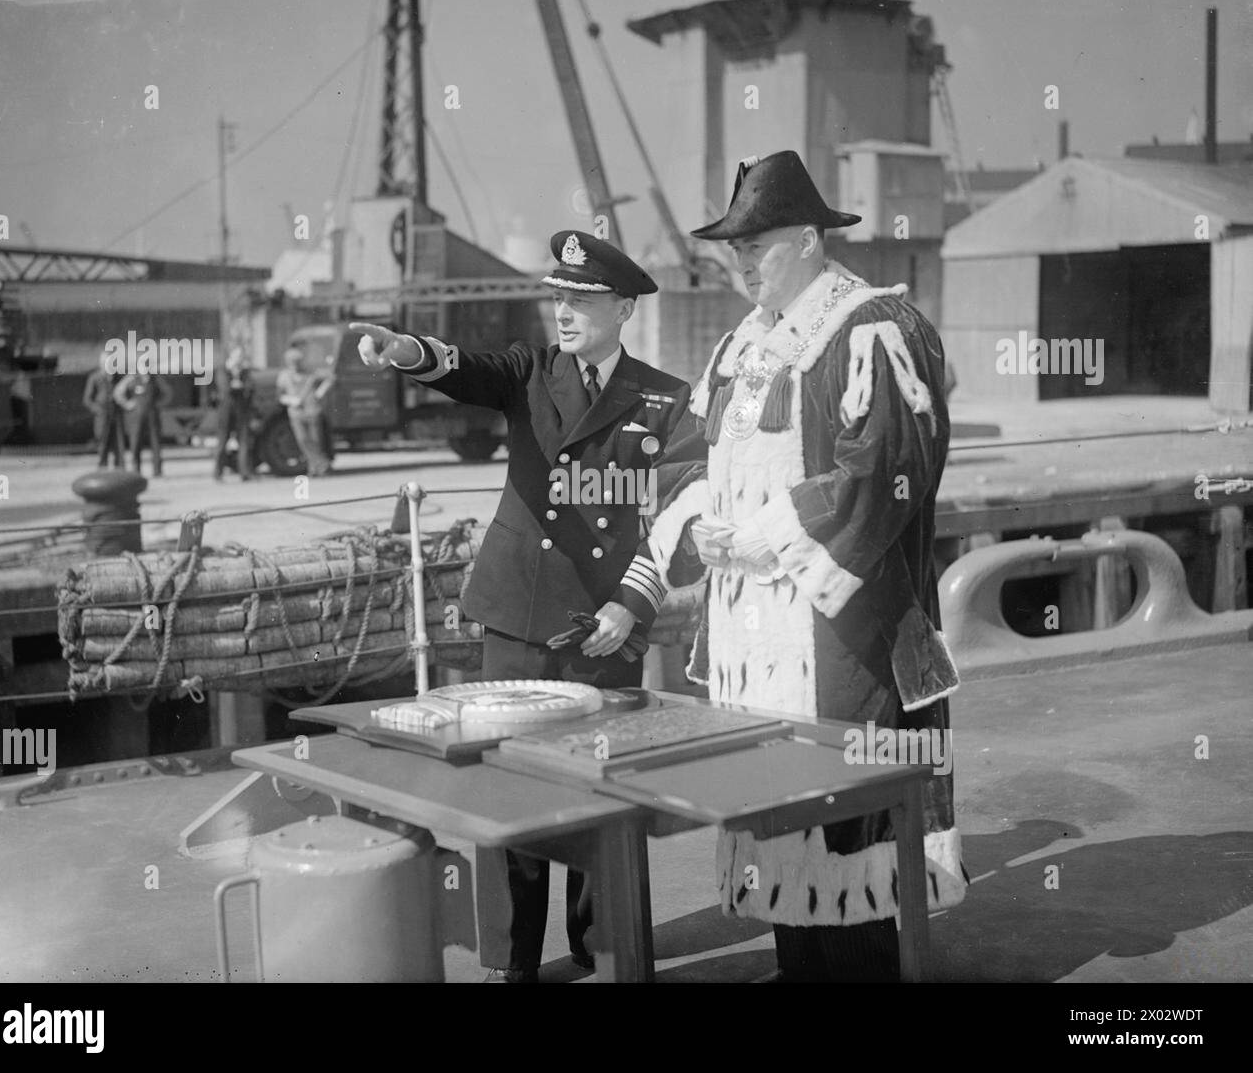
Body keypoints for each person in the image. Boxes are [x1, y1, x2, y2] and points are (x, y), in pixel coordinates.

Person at [642, 150, 967, 982]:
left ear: (813, 240)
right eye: (733, 248)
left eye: (758, 245)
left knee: (847, 832)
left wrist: (770, 536)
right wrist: (702, 526)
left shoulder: (874, 329)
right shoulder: (740, 347)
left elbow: (886, 471)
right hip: (753, 647)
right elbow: (692, 457)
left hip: (842, 642)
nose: (741, 262)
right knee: (775, 827)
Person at [353, 231, 690, 983]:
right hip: (518, 614)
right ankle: (510, 963)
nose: (563, 312)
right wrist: (404, 349)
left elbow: (679, 520)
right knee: (508, 790)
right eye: (558, 297)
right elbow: (461, 369)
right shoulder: (529, 371)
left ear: (624, 307)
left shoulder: (667, 399)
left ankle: (603, 949)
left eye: (582, 299)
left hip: (604, 624)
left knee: (603, 789)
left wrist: (632, 607)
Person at [276, 347, 332, 476]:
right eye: (292, 362)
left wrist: (320, 392)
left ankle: (314, 468)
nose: (295, 364)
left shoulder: (310, 374)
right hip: (296, 413)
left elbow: (330, 377)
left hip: (312, 411)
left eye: (297, 361)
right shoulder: (284, 376)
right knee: (303, 440)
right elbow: (279, 396)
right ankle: (322, 463)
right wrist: (291, 400)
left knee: (315, 441)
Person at [113, 370, 170, 478]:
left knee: (156, 443)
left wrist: (160, 404)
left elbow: (167, 393)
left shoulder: (156, 379)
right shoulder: (131, 378)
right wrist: (127, 404)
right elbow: (117, 392)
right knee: (135, 443)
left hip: (152, 415)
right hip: (136, 417)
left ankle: (157, 470)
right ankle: (136, 469)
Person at [213, 346, 255, 481]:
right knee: (222, 442)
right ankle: (218, 472)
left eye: (241, 356)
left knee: (243, 442)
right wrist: (238, 385)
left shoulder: (245, 372)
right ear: (231, 356)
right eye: (237, 356)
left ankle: (244, 472)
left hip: (241, 411)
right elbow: (225, 388)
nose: (240, 359)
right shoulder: (223, 370)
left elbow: (250, 388)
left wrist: (239, 385)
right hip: (226, 412)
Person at [82, 363, 126, 469]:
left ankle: (119, 467)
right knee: (102, 441)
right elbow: (87, 400)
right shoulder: (95, 377)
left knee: (118, 442)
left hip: (115, 413)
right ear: (101, 364)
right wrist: (97, 410)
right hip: (102, 415)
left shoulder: (117, 376)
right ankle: (102, 467)